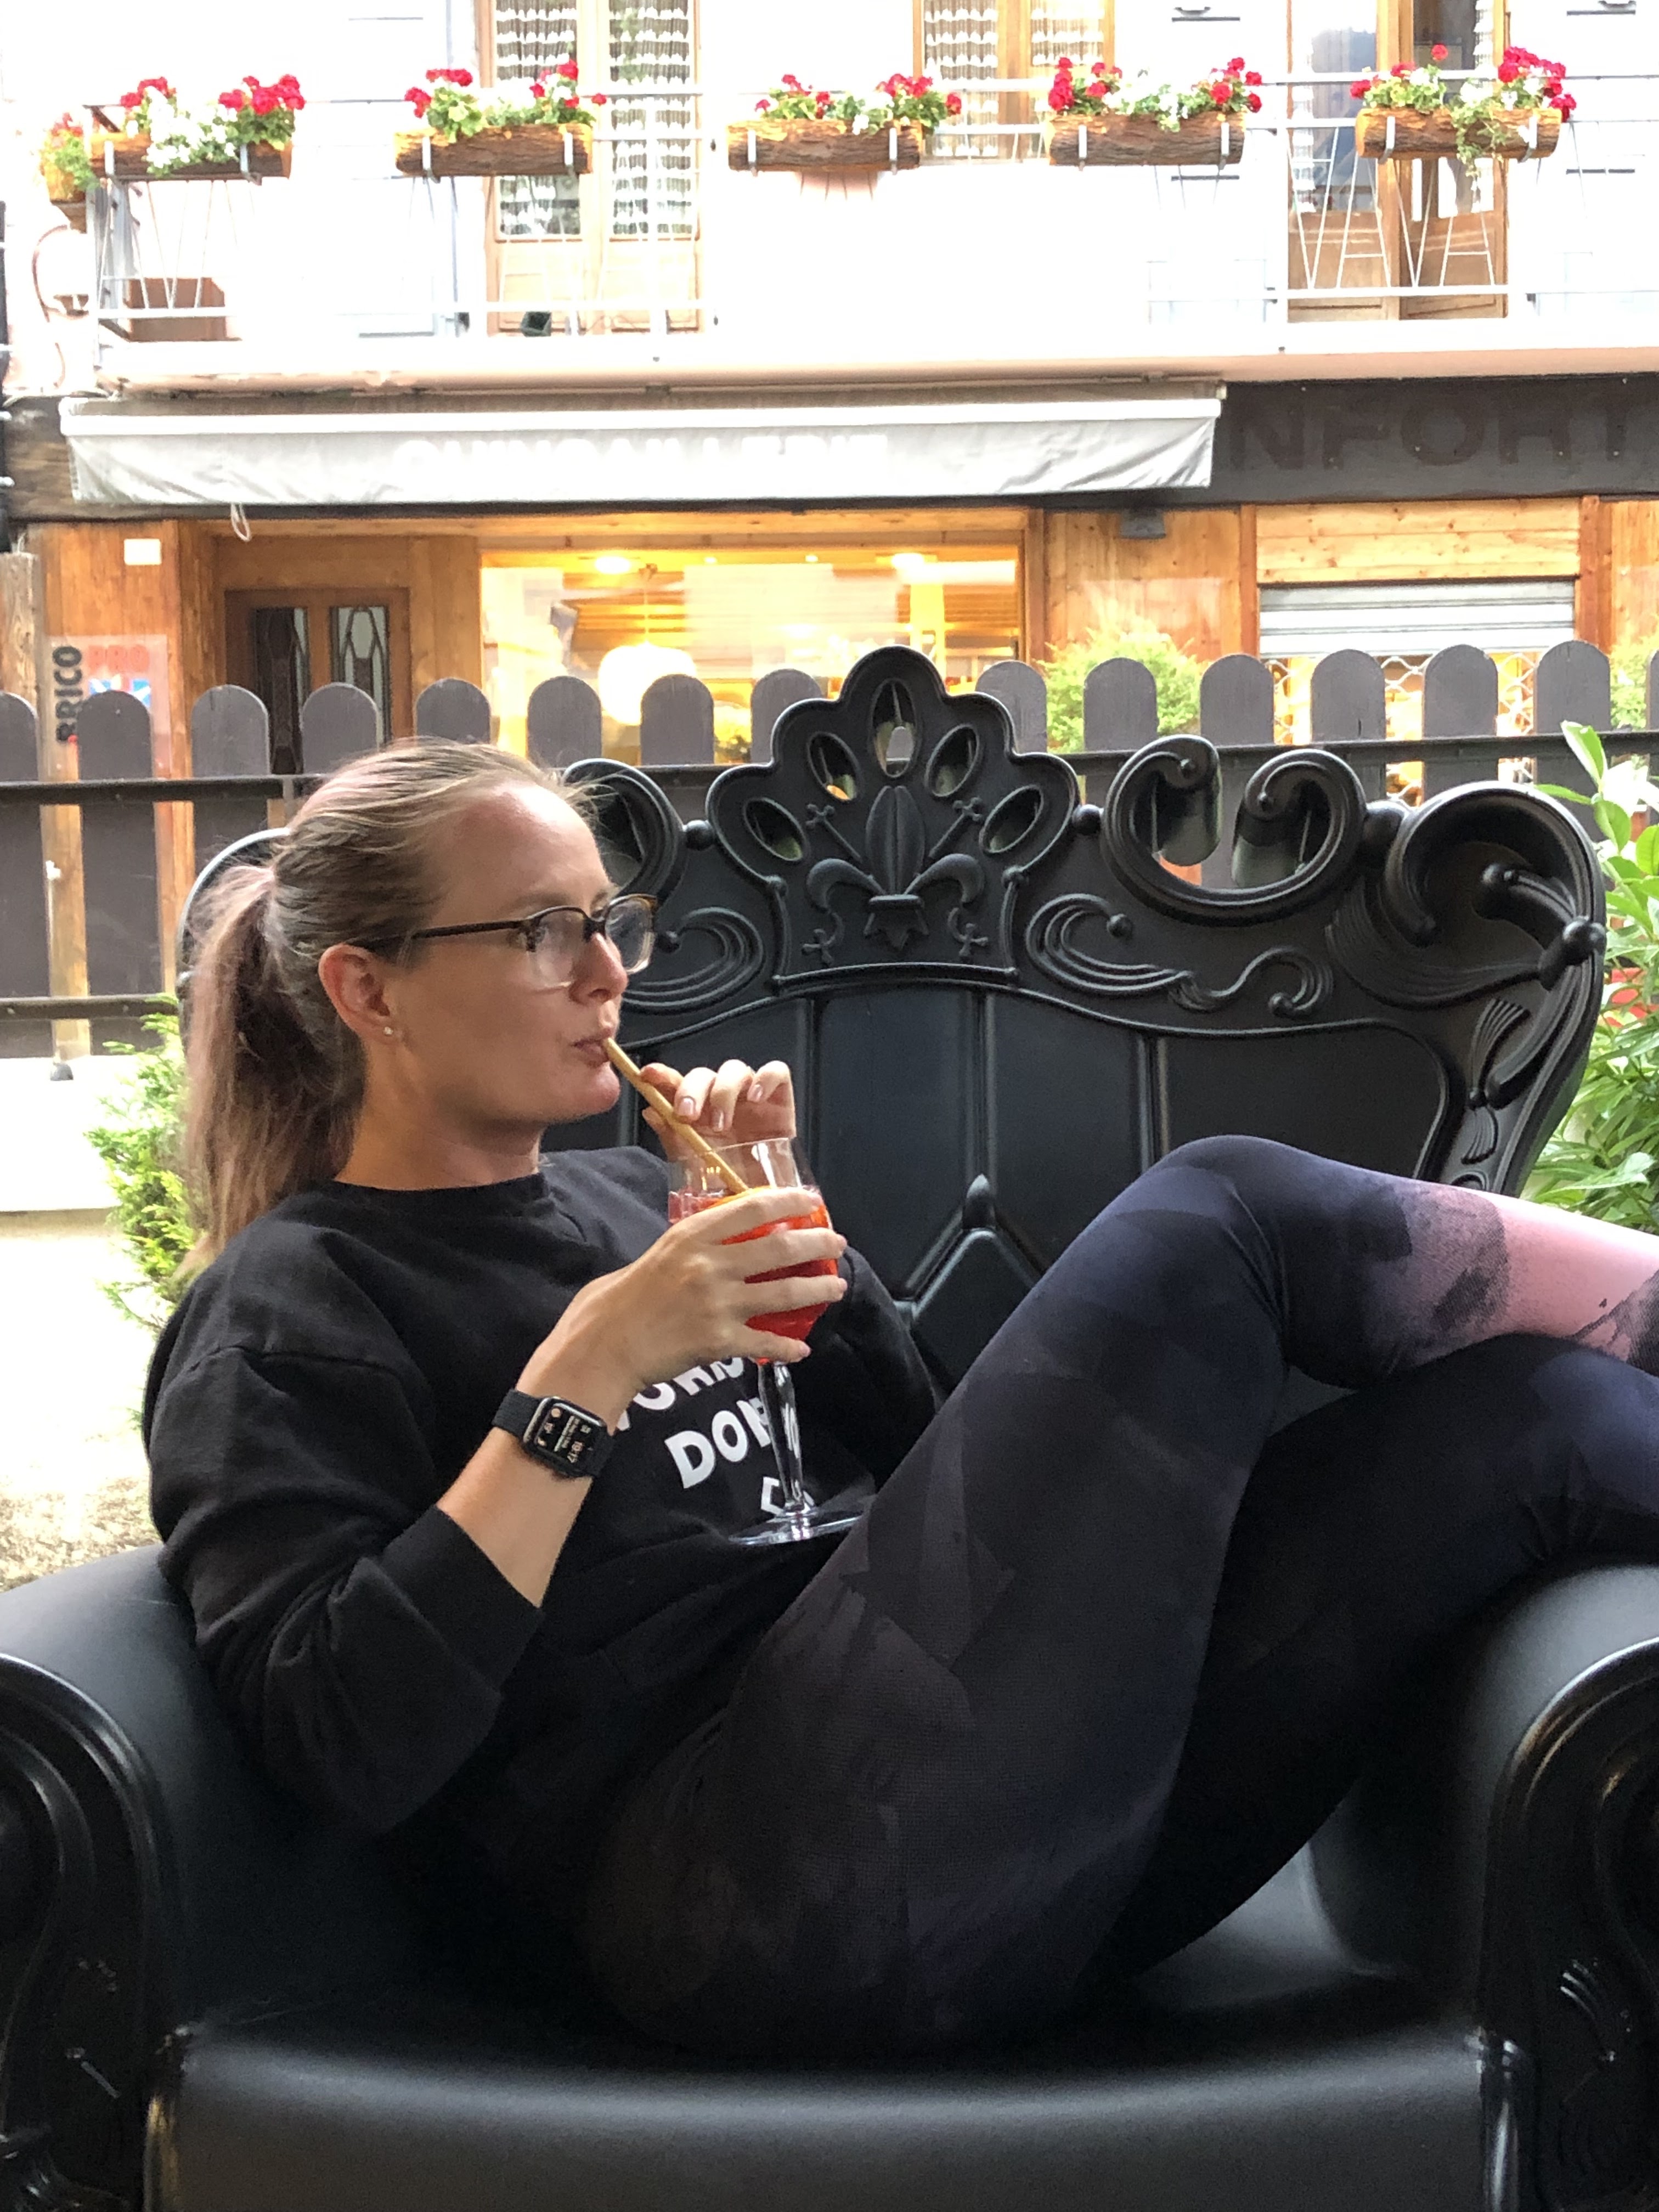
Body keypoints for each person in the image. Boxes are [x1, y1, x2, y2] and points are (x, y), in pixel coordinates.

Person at [148, 739, 1659, 2062]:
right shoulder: (290, 1306)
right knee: (1222, 1215)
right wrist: (583, 1377)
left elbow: (933, 1485)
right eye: (544, 932)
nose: (608, 973)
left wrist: (801, 1236)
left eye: (607, 921)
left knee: (1527, 1418)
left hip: (996, 1829)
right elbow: (341, 1741)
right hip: (746, 1902)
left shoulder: (627, 1205)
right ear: (369, 989)